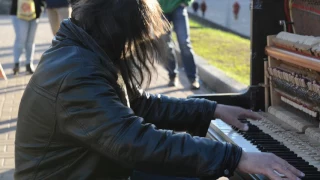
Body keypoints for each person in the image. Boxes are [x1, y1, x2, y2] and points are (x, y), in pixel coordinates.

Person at [14, 0, 305, 180]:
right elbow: (134, 142)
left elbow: (140, 106)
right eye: (135, 38)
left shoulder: (85, 51)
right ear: (118, 30)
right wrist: (235, 157)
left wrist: (212, 108)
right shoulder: (77, 74)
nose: (135, 47)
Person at [158, 0, 200, 89]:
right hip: (160, 9)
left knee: (184, 43)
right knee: (166, 45)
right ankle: (172, 76)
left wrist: (186, 2)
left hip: (178, 6)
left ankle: (193, 78)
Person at [10, 0, 45, 75]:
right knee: (21, 39)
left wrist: (40, 7)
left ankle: (29, 64)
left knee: (30, 41)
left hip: (34, 13)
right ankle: (16, 63)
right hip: (18, 12)